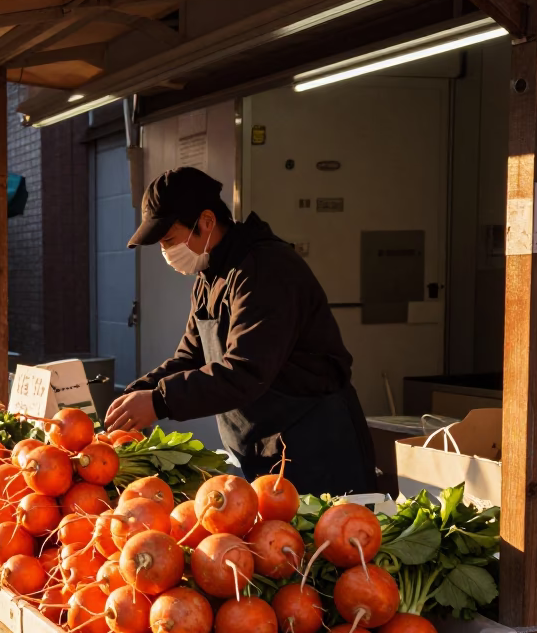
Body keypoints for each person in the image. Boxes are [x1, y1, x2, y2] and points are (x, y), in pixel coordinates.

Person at [105, 167, 376, 496]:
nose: (166, 253)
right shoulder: (209, 276)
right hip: (265, 449)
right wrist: (135, 396)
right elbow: (190, 357)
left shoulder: (264, 269)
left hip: (313, 446)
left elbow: (247, 369)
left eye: (169, 240)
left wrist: (160, 401)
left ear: (206, 221)